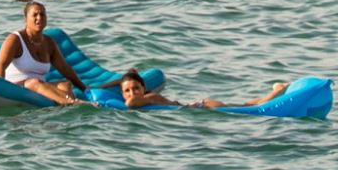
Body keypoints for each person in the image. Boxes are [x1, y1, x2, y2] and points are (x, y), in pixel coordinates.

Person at [0, 2, 84, 105]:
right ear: (25, 19)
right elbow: (0, 66)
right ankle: (72, 102)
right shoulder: (15, 39)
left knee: (65, 85)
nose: (39, 18)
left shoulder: (49, 43)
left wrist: (84, 88)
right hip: (16, 87)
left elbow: (65, 69)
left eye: (42, 14)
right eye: (35, 15)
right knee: (34, 82)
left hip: (40, 87)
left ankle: (65, 111)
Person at [115, 68, 291, 111]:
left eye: (136, 88)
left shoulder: (149, 97)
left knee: (249, 109)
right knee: (244, 105)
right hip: (198, 104)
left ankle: (278, 91)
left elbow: (131, 103)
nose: (132, 93)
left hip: (203, 106)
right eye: (127, 91)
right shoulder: (145, 98)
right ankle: (275, 91)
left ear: (143, 88)